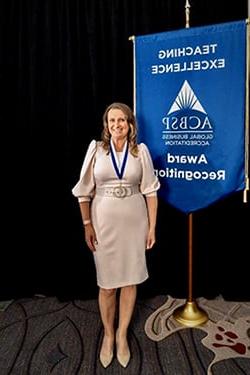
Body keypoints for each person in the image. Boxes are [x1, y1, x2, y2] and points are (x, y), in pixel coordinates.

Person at [72, 102, 160, 369]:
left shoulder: (140, 151)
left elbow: (151, 192)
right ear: (106, 125)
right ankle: (108, 335)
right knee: (108, 285)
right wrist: (87, 224)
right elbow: (84, 191)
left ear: (130, 124)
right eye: (112, 121)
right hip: (103, 224)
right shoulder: (96, 150)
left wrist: (152, 227)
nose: (116, 125)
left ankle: (122, 336)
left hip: (135, 223)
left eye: (121, 120)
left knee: (130, 281)